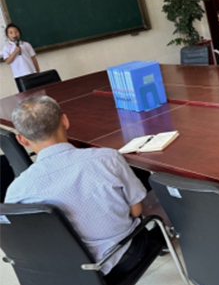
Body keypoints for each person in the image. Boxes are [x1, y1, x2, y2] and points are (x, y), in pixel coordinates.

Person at [4, 95, 149, 275]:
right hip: (124, 257)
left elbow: (18, 239)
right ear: (65, 121)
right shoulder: (107, 158)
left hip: (66, 272)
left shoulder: (17, 190)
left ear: (22, 140)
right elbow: (136, 210)